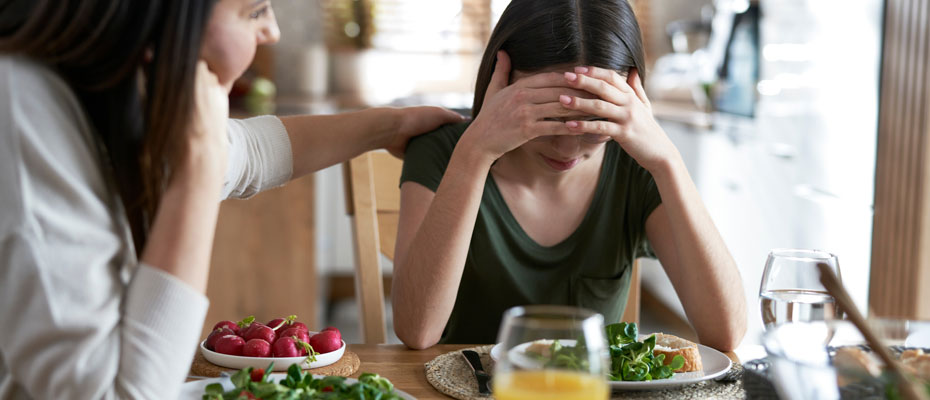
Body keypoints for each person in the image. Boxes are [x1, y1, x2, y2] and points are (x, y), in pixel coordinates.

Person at [0, 0, 462, 398]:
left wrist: (390, 126)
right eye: (254, 10)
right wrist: (197, 173)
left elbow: (253, 151)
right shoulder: (25, 119)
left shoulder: (99, 89)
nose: (272, 30)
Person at [393, 0, 747, 351]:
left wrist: (667, 160)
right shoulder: (444, 152)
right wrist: (474, 154)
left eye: (594, 123)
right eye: (546, 117)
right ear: (500, 83)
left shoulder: (637, 166)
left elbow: (726, 333)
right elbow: (417, 330)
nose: (567, 149)